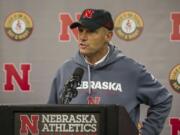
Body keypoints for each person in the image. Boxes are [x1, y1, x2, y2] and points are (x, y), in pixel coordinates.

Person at [48, 8, 173, 135]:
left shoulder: (131, 70)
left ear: (108, 36)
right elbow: (49, 117)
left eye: (91, 32)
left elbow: (163, 100)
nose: (82, 37)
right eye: (80, 31)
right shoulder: (65, 70)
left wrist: (147, 133)